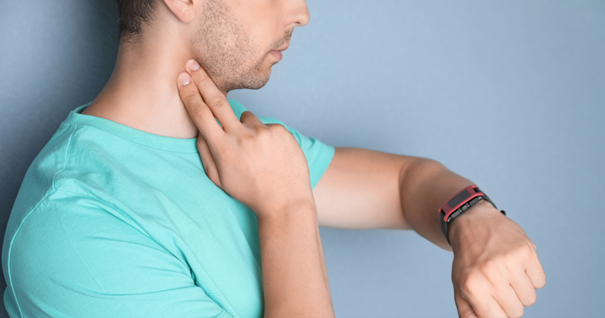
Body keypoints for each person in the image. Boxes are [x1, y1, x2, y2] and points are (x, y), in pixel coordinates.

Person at [1, 0, 545, 317]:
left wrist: (471, 217)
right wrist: (287, 209)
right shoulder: (73, 230)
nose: (302, 12)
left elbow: (407, 185)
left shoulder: (238, 142)